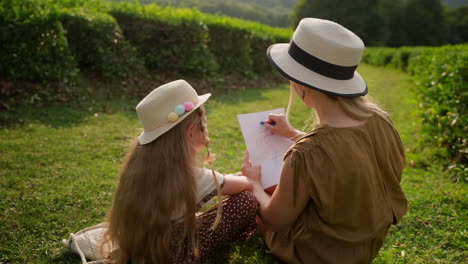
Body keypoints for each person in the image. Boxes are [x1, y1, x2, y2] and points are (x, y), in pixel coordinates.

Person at [241, 18, 408, 264]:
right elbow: (346, 157)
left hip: (318, 253)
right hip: (363, 248)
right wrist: (293, 134)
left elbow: (275, 219)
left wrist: (254, 183)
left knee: (252, 194)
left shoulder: (306, 153)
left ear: (301, 87)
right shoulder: (380, 119)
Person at [103, 80, 259, 264]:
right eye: (205, 126)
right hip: (175, 256)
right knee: (246, 201)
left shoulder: (141, 167)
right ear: (191, 132)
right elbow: (245, 186)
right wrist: (252, 177)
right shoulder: (192, 177)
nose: (207, 133)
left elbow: (222, 180)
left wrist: (237, 175)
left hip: (140, 250)